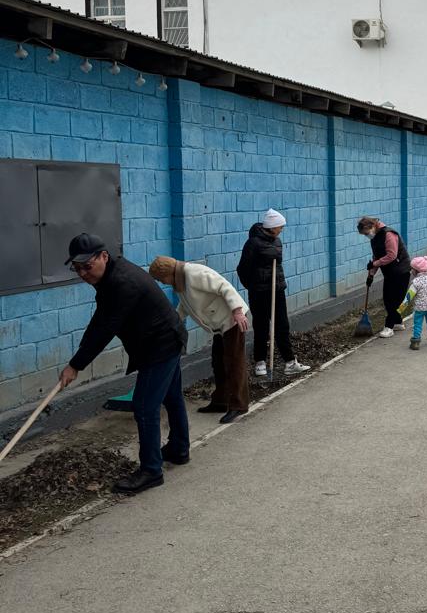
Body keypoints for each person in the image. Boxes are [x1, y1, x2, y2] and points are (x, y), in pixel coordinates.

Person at [58, 233, 189, 493]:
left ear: (103, 256)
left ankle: (151, 471)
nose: (83, 273)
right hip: (165, 338)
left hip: (160, 345)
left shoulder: (122, 283)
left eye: (87, 266)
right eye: (77, 268)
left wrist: (76, 365)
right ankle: (178, 448)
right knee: (172, 396)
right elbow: (100, 319)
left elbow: (105, 329)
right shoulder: (110, 277)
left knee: (144, 407)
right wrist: (76, 360)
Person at [149, 256, 250, 425]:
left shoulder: (194, 273)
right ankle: (221, 401)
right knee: (218, 363)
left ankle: (239, 405)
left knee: (234, 363)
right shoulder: (180, 282)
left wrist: (237, 311)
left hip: (232, 320)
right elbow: (185, 306)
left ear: (167, 273)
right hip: (219, 324)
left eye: (160, 279)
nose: (162, 282)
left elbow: (224, 286)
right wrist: (173, 322)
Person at [236, 208, 310, 378]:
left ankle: (290, 362)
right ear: (272, 226)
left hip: (277, 289)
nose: (282, 229)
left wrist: (278, 283)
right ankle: (260, 362)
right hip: (259, 292)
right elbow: (242, 268)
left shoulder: (277, 241)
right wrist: (252, 285)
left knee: (282, 325)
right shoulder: (253, 243)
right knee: (261, 326)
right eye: (280, 226)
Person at [358, 215, 412, 339]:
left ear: (372, 226)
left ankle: (389, 327)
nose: (367, 236)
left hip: (401, 271)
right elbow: (376, 257)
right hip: (389, 272)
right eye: (364, 235)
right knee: (388, 299)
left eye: (366, 233)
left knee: (394, 301)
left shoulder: (389, 234)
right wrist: (371, 274)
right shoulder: (374, 238)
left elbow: (391, 255)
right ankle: (398, 323)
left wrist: (375, 264)